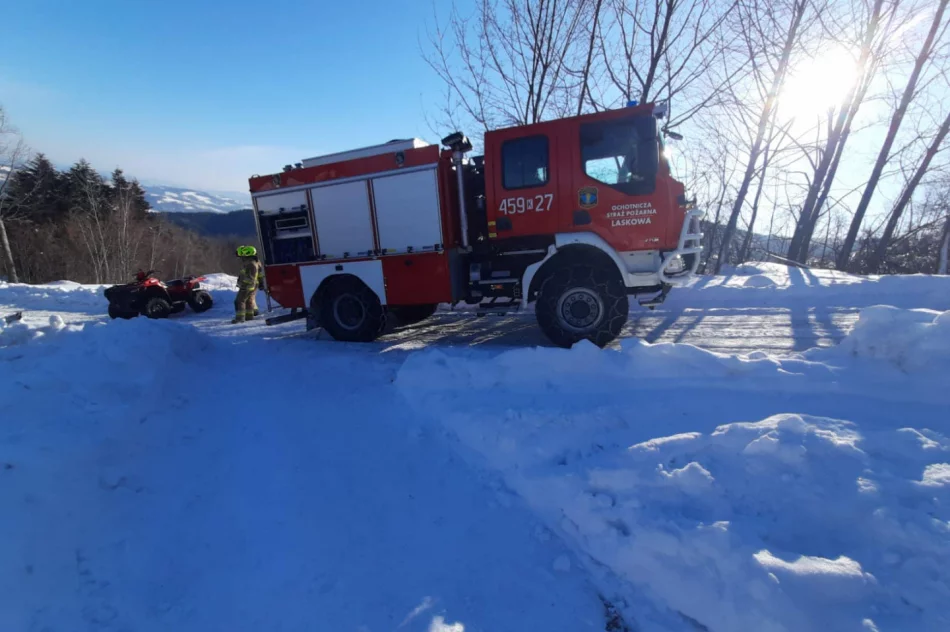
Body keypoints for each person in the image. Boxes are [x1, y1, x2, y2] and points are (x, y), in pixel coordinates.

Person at [232, 245, 263, 323]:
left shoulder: (251, 264)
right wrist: (261, 283)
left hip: (247, 286)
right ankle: (249, 316)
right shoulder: (256, 262)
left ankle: (240, 318)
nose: (241, 258)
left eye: (242, 255)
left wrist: (243, 285)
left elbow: (250, 277)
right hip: (253, 285)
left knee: (239, 301)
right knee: (249, 301)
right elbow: (259, 275)